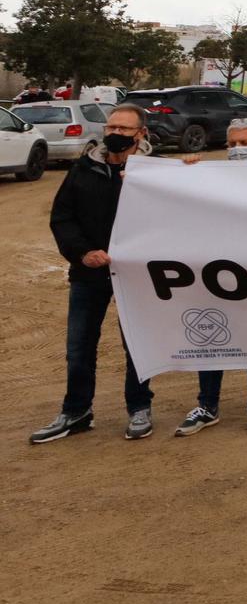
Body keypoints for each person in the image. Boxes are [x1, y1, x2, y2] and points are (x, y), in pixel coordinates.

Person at [31, 104, 157, 444]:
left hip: (137, 277)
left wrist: (190, 168)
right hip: (88, 273)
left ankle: (140, 407)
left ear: (140, 134)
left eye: (124, 129)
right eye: (111, 127)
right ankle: (76, 412)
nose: (115, 134)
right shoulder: (83, 168)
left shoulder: (155, 173)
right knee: (79, 346)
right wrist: (82, 253)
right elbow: (62, 217)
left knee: (136, 344)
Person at [173, 119, 247, 436]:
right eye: (231, 145)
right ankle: (207, 405)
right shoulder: (210, 177)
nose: (237, 150)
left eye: (244, 144)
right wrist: (187, 170)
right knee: (209, 334)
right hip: (214, 269)